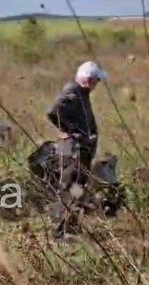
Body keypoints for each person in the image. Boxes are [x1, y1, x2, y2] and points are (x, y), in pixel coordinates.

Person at [46, 61, 107, 238]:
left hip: (80, 151)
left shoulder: (81, 93)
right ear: (88, 80)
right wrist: (69, 130)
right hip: (74, 152)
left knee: (77, 190)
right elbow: (53, 111)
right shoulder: (73, 92)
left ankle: (70, 228)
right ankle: (59, 233)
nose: (97, 85)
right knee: (69, 190)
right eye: (96, 80)